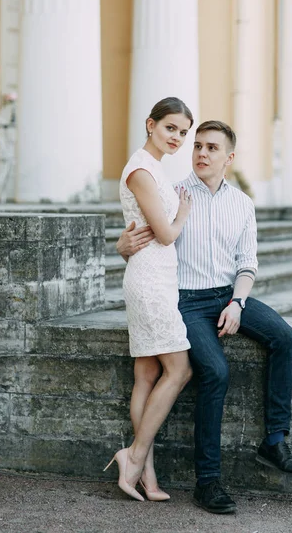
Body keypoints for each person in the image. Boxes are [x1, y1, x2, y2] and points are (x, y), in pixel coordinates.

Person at [116, 120, 292, 514]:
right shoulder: (173, 194)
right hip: (186, 301)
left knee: (284, 337)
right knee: (215, 371)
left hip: (228, 295)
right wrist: (123, 244)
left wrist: (237, 303)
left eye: (211, 148)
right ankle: (208, 481)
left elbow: (247, 263)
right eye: (197, 146)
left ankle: (274, 439)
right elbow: (146, 239)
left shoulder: (242, 203)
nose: (202, 153)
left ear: (229, 157)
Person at [104, 97, 194, 502]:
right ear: (151, 124)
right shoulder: (141, 168)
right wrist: (183, 212)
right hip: (149, 282)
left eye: (183, 131)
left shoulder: (154, 167)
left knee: (146, 374)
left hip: (156, 277)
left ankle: (147, 476)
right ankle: (135, 455)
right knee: (179, 370)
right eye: (171, 127)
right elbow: (165, 233)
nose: (177, 136)